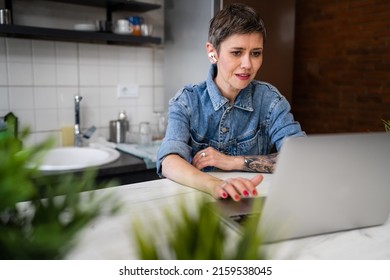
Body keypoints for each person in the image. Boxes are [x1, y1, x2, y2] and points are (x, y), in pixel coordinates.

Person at [156, 3, 305, 201]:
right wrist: (215, 185)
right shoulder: (186, 100)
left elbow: (300, 157)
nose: (247, 65)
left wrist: (232, 162)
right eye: (237, 52)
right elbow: (169, 161)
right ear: (212, 52)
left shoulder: (270, 100)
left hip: (250, 203)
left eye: (256, 53)